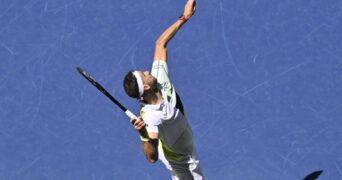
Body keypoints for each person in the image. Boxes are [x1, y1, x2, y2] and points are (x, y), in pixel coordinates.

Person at [123, 0, 203, 179]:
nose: (146, 71)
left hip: (180, 143)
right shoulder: (150, 116)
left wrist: (185, 17)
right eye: (143, 74)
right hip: (181, 161)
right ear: (145, 86)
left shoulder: (158, 78)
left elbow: (160, 44)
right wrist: (143, 135)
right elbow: (152, 157)